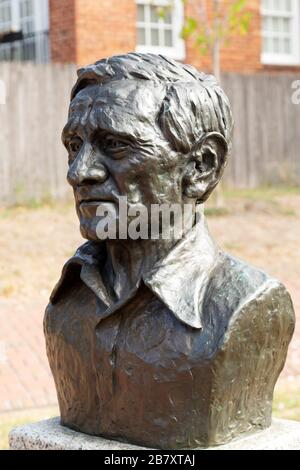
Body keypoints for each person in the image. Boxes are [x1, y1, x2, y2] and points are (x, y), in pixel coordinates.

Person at [44, 53, 295, 449]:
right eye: (74, 146)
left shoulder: (248, 306)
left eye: (115, 145)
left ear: (200, 167)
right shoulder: (66, 304)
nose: (78, 172)